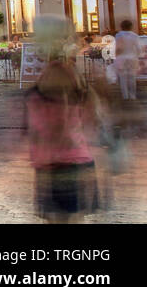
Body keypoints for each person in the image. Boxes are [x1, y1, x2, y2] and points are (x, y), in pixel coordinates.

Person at [25, 56, 101, 222]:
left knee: (56, 217)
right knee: (73, 217)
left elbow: (37, 133)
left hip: (51, 165)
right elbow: (93, 121)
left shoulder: (36, 99)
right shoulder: (79, 96)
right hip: (77, 161)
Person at [114, 20, 141, 102]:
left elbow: (117, 48)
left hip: (121, 59)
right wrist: (136, 55)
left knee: (123, 78)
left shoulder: (118, 35)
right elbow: (138, 48)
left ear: (121, 26)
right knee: (132, 78)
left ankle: (125, 96)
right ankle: (132, 96)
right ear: (131, 26)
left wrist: (116, 56)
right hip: (132, 58)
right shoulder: (135, 36)